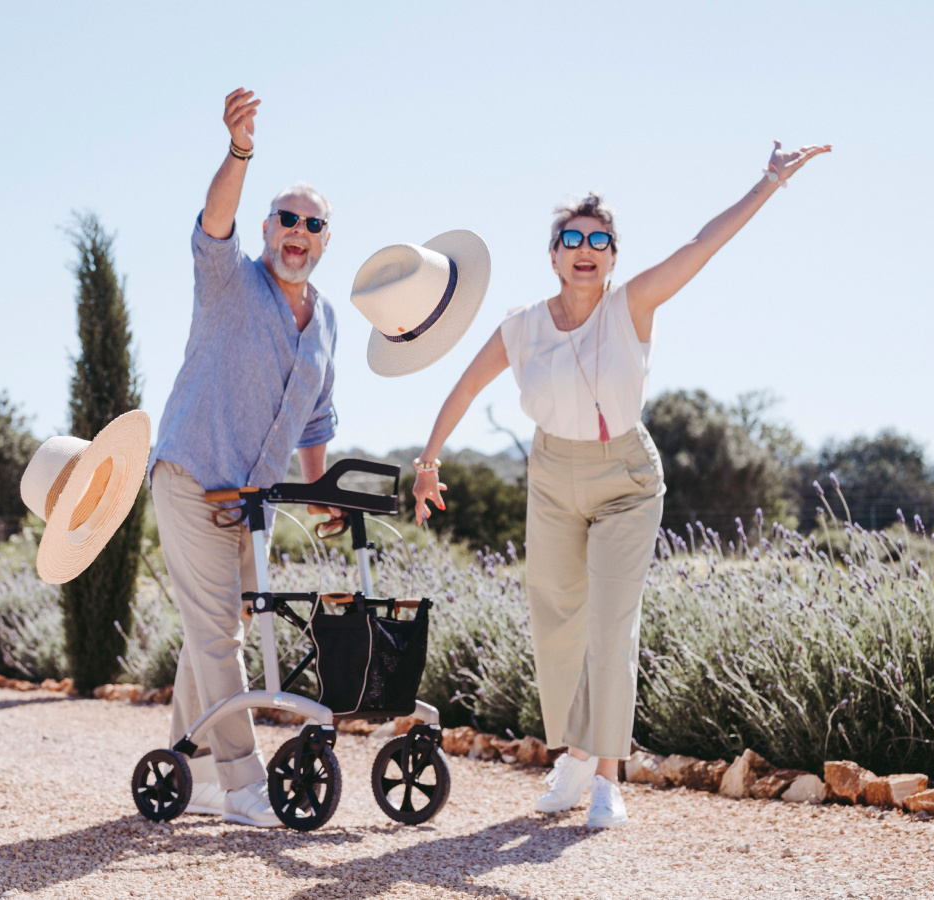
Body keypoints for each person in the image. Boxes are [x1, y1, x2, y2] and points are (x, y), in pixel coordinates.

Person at [411, 141, 831, 828]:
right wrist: (429, 459)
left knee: (610, 623)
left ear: (612, 255)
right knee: (556, 622)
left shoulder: (633, 304)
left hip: (626, 479)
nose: (584, 248)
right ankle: (577, 753)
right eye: (571, 239)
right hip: (551, 475)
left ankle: (607, 775)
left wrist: (767, 184)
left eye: (598, 240)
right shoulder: (520, 328)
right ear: (552, 254)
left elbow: (703, 244)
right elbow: (464, 386)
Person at [148, 88, 342, 828]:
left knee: (221, 628)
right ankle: (242, 785)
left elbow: (316, 414)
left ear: (325, 239)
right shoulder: (230, 280)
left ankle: (187, 766)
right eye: (286, 219)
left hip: (253, 499)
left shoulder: (324, 319)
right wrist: (239, 152)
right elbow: (213, 226)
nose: (298, 231)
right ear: (267, 229)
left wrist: (322, 491)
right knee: (218, 629)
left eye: (312, 224)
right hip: (193, 474)